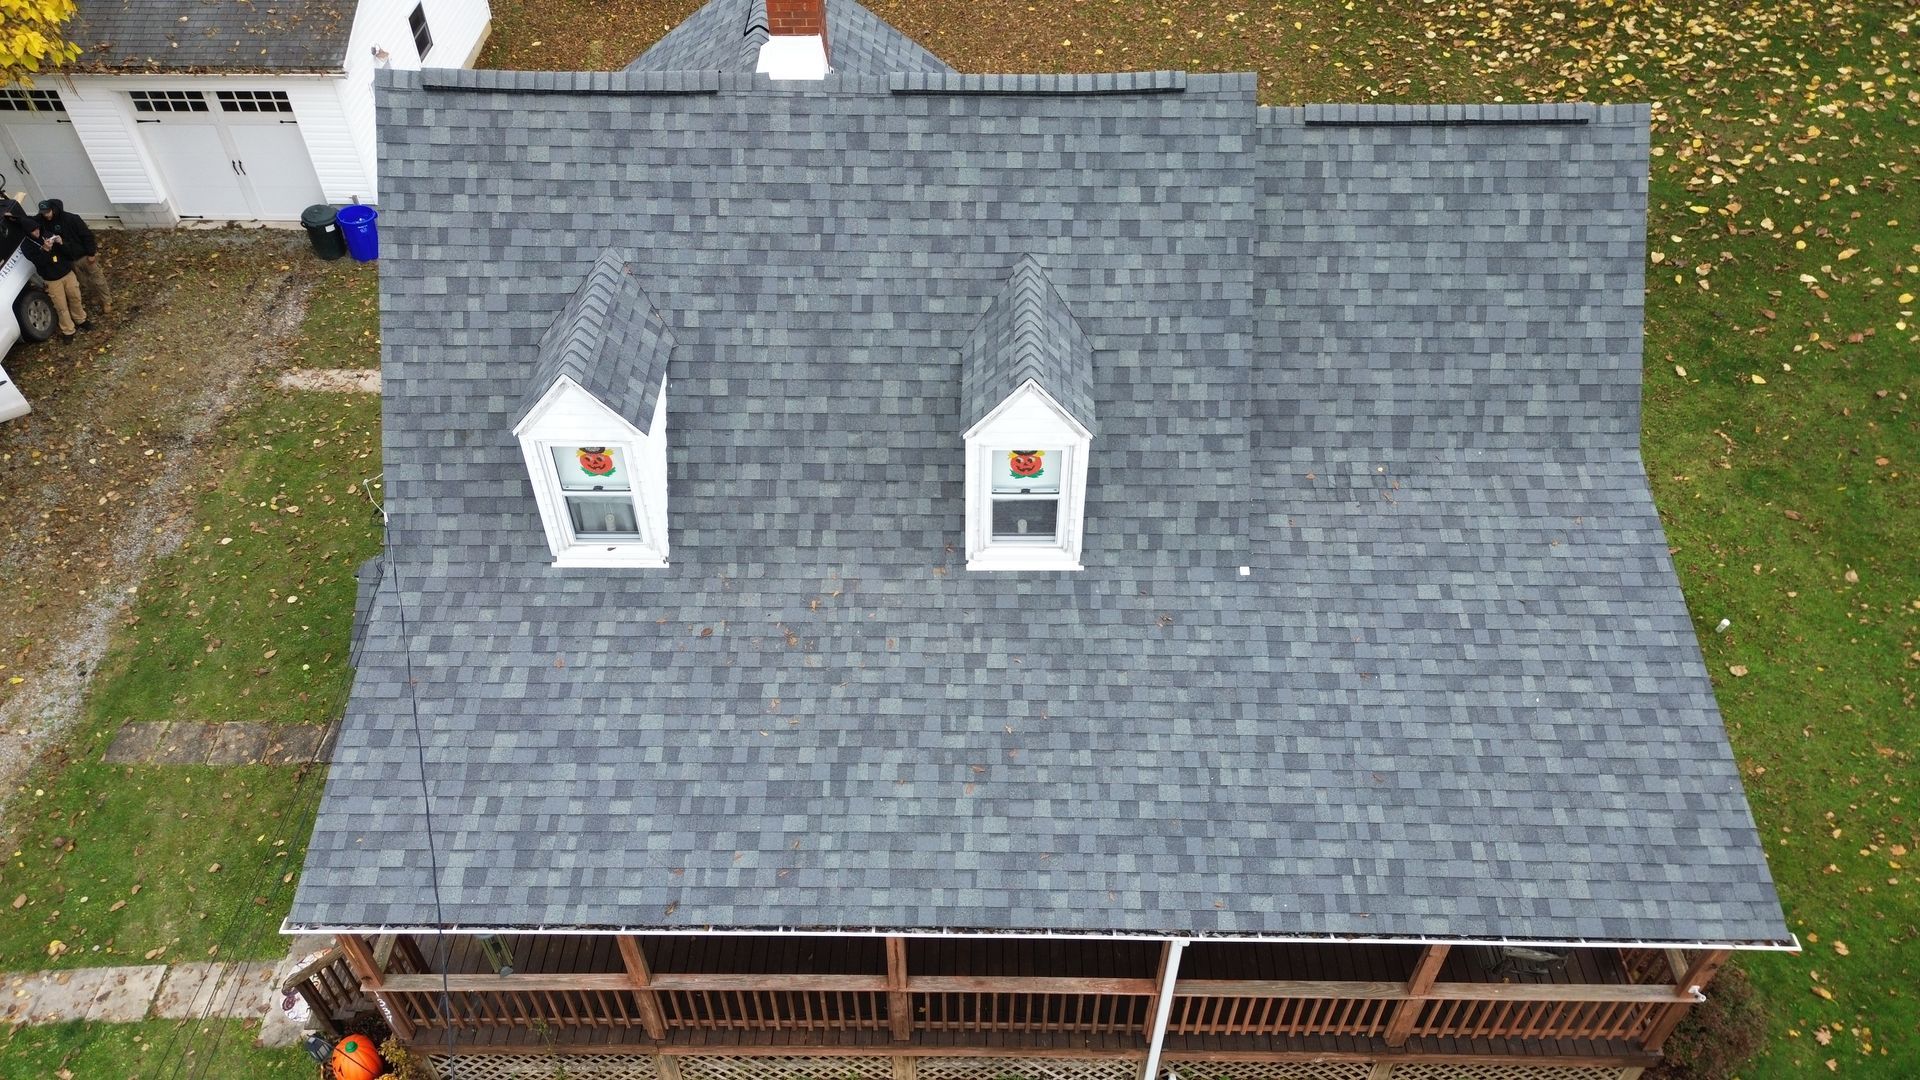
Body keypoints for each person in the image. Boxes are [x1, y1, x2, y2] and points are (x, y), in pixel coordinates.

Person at [19, 216, 90, 338]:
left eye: (37, 229)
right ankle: (68, 330)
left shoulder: (47, 234)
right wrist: (46, 250)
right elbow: (40, 262)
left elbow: (68, 253)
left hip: (67, 273)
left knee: (75, 298)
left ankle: (81, 319)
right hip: (52, 280)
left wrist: (61, 243)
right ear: (27, 232)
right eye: (33, 231)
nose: (36, 232)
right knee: (61, 306)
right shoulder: (26, 246)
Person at [38, 199, 110, 317]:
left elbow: (87, 236)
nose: (46, 215)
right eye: (43, 213)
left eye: (48, 212)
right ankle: (96, 296)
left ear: (54, 209)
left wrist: (91, 253)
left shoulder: (72, 219)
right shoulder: (45, 222)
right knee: (83, 281)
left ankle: (107, 301)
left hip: (83, 255)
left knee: (97, 278)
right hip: (70, 259)